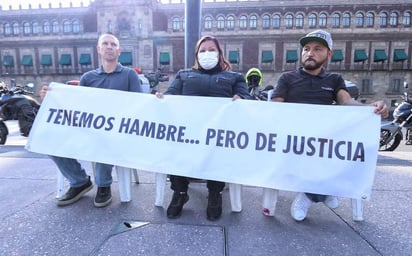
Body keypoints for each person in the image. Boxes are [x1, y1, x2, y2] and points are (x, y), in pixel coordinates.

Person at [271, 29, 388, 221]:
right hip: (293, 138)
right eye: (306, 49)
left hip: (323, 139)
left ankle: (309, 195)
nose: (310, 53)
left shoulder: (334, 79)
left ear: (329, 54)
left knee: (345, 149)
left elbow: (346, 102)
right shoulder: (287, 78)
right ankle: (324, 191)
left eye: (318, 49)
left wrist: (371, 109)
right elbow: (275, 108)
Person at [156, 35, 250, 221]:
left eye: (211, 49)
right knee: (176, 147)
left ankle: (215, 194)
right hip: (189, 132)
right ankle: (180, 192)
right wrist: (161, 98)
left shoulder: (235, 77)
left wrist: (241, 100)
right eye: (203, 50)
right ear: (197, 55)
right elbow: (171, 96)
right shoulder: (184, 74)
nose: (207, 53)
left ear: (220, 54)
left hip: (219, 134)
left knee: (219, 151)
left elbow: (246, 98)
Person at [44, 33, 142, 208]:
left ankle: (103, 185)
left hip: (118, 132)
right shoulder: (88, 78)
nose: (109, 46)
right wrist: (52, 97)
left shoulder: (129, 75)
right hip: (88, 130)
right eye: (105, 43)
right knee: (51, 141)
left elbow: (140, 105)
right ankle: (79, 181)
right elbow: (78, 106)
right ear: (99, 49)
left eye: (113, 44)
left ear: (119, 50)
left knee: (104, 136)